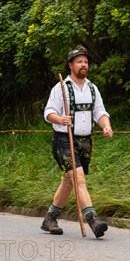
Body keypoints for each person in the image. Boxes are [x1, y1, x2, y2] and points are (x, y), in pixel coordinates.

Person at [41, 47, 112, 238]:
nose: (83, 65)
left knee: (69, 180)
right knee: (78, 179)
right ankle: (93, 220)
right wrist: (60, 119)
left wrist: (106, 126)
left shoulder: (92, 88)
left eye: (86, 62)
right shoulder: (61, 88)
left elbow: (100, 113)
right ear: (70, 65)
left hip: (85, 142)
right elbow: (48, 112)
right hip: (64, 140)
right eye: (79, 62)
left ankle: (50, 218)